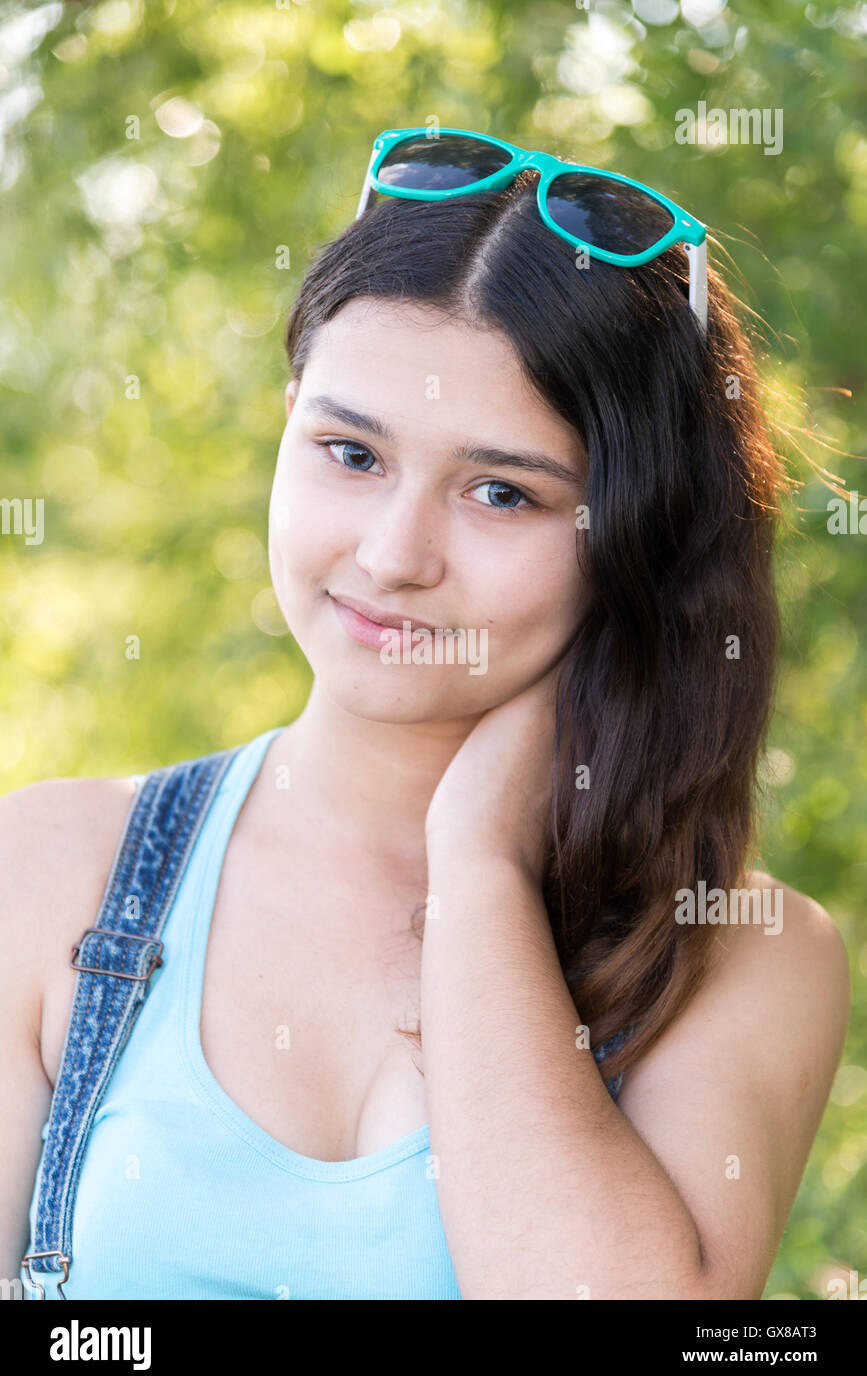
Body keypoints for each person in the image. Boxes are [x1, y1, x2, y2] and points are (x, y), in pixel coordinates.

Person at [1, 135, 850, 1301]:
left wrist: (480, 860)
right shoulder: (49, 873)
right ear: (287, 422)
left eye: (502, 492)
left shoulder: (737, 953)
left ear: (641, 534)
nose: (394, 557)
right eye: (350, 453)